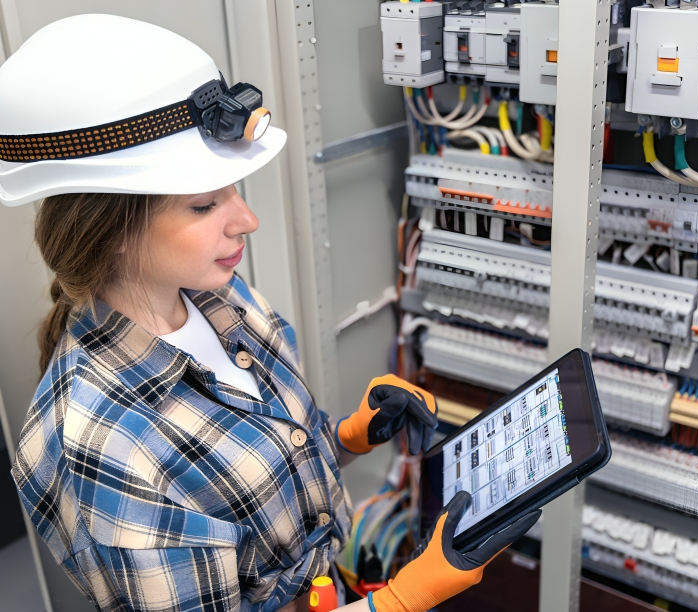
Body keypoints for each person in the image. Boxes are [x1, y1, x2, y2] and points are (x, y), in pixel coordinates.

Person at [5, 14, 539, 612]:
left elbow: (247, 492)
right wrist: (404, 599)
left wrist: (347, 437)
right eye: (206, 205)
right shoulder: (97, 443)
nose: (246, 221)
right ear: (113, 231)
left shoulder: (220, 300)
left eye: (234, 189)